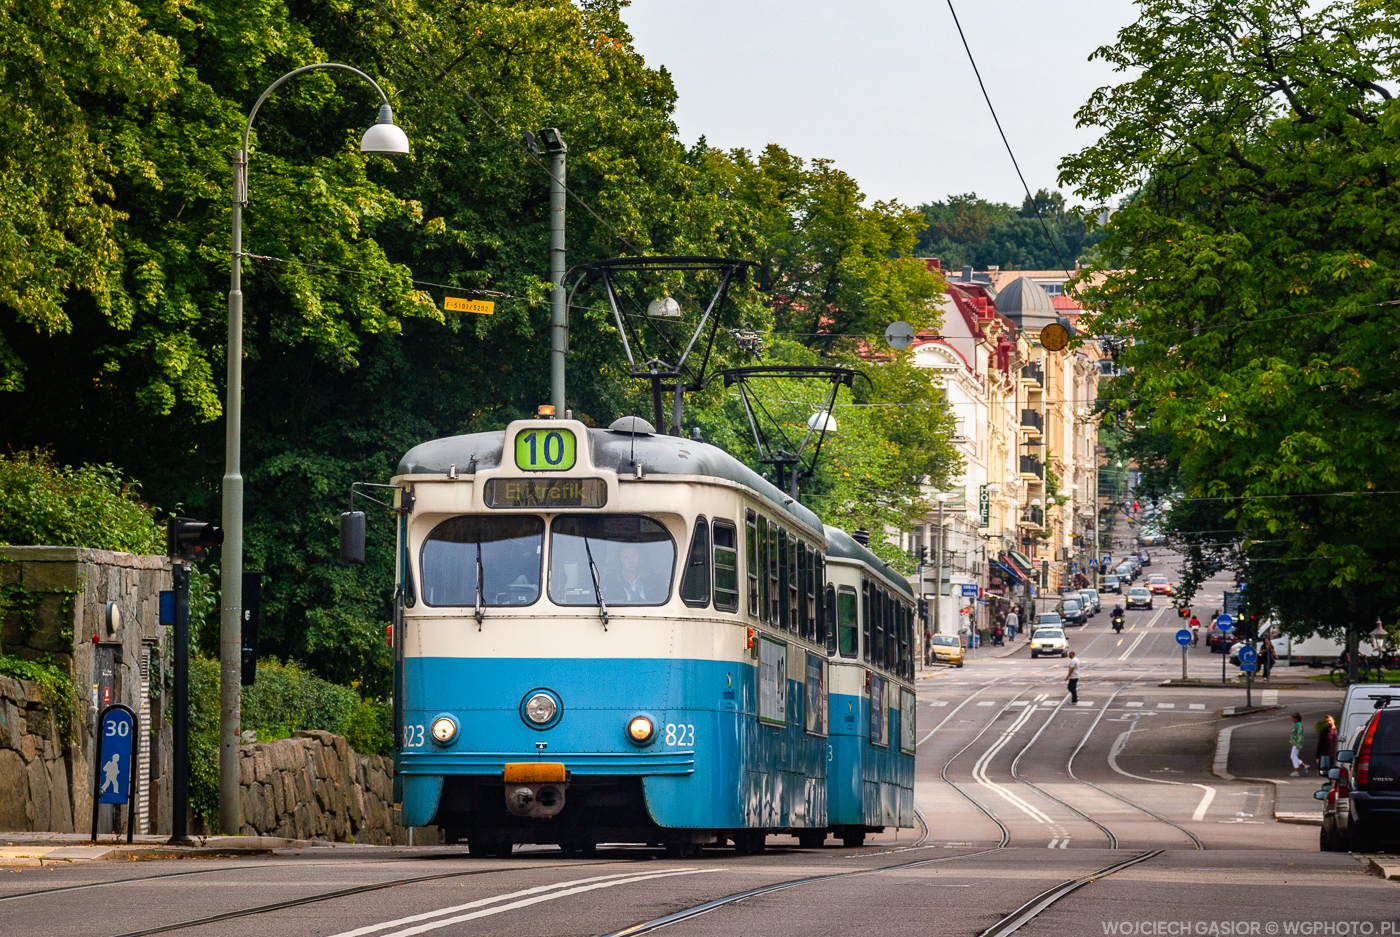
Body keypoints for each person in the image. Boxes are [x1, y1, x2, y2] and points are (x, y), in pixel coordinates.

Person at [1288, 713, 1310, 777]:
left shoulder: (1299, 726)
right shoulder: (1297, 725)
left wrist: (1298, 744)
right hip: (1295, 743)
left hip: (1297, 743)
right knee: (1293, 756)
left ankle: (1296, 771)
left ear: (1296, 719)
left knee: (1293, 757)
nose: (1292, 719)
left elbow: (1299, 735)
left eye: (1293, 718)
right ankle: (1304, 765)